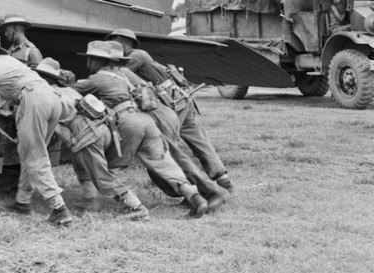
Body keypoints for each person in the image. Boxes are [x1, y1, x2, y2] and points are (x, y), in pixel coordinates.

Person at [72, 40, 210, 217]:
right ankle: (195, 197)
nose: (87, 63)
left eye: (89, 59)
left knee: (110, 167)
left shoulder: (96, 79)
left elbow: (72, 91)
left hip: (128, 122)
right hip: (147, 121)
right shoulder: (122, 75)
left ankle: (129, 206)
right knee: (164, 163)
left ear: (97, 61)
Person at [0, 33, 74, 227]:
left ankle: (59, 209)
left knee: (34, 156)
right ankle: (22, 201)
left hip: (33, 100)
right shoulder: (9, 62)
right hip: (52, 98)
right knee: (30, 153)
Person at [110, 29, 233, 192]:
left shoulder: (135, 56)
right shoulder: (142, 55)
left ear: (121, 42)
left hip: (172, 105)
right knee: (200, 142)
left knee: (168, 151)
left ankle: (195, 191)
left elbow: (116, 76)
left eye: (114, 44)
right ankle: (223, 179)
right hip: (182, 99)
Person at [35, 58, 149, 220]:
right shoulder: (69, 91)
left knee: (102, 176)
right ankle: (90, 200)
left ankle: (137, 207)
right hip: (102, 130)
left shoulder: (47, 96)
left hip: (88, 136)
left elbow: (51, 126)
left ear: (43, 77)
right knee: (80, 164)